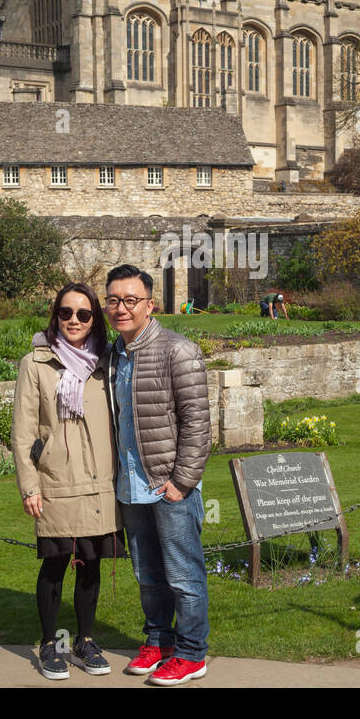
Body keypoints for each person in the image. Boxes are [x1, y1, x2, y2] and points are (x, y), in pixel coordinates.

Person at [103, 263, 211, 686]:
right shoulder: (114, 354)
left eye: (131, 300)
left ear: (150, 304)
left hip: (168, 484)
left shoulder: (176, 350)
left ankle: (191, 652)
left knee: (184, 575)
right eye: (113, 300)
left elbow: (198, 423)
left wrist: (182, 482)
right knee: (147, 575)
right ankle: (158, 640)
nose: (121, 308)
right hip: (131, 484)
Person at [12, 282, 125, 680]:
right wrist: (30, 485)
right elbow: (24, 431)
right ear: (55, 316)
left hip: (100, 480)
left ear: (94, 318)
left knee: (90, 565)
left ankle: (85, 640)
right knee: (56, 563)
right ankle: (50, 644)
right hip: (57, 479)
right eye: (65, 312)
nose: (74, 320)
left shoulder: (107, 362)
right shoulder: (36, 363)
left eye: (83, 314)